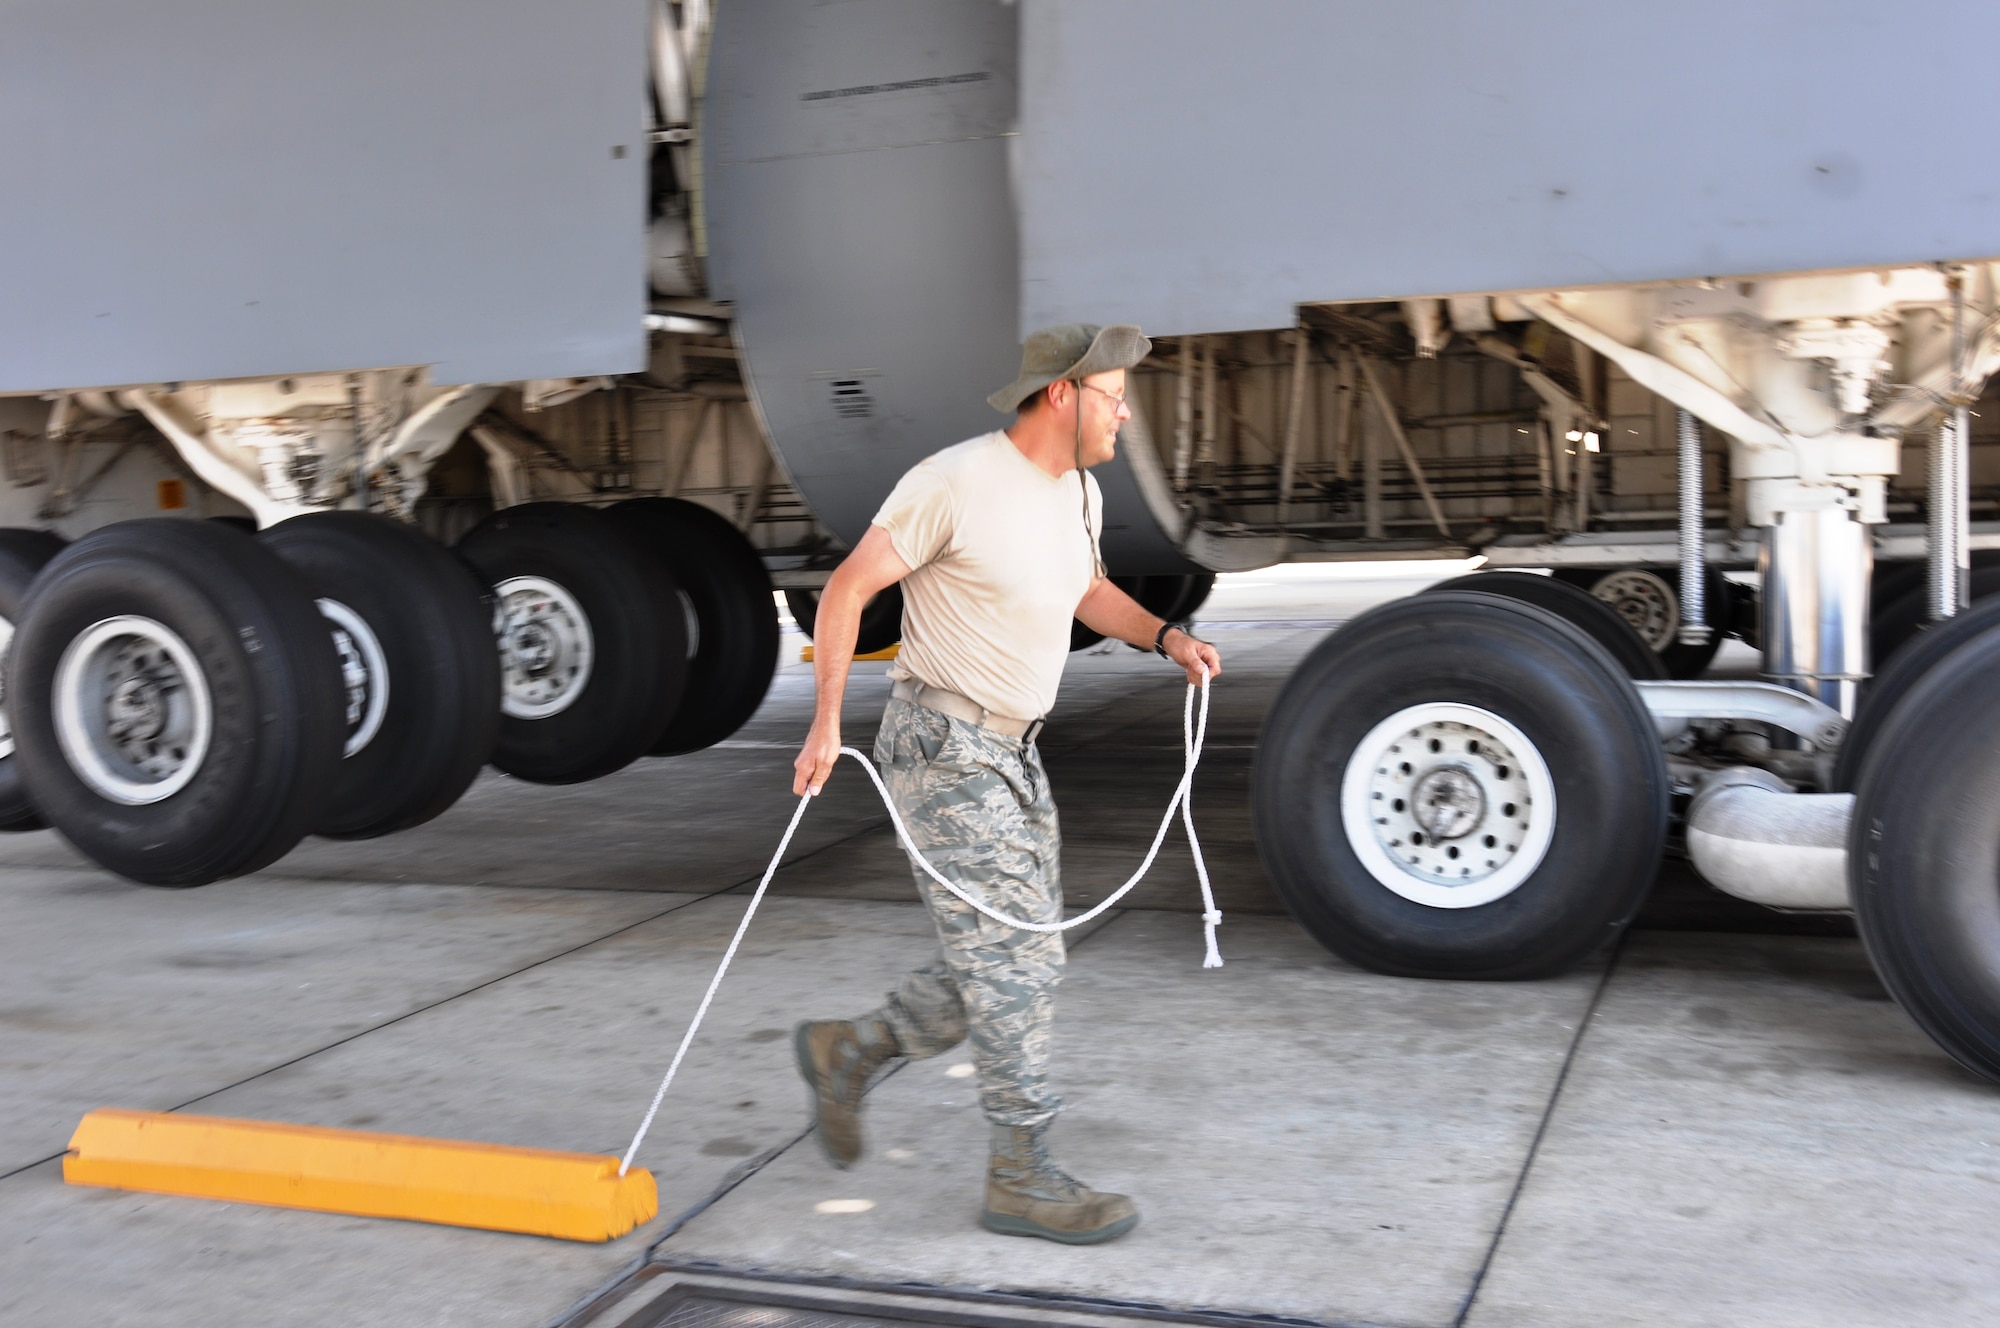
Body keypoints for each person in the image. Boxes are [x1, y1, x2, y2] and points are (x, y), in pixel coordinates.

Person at [789, 323, 1223, 1245]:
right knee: (1014, 962)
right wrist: (826, 719)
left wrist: (1166, 638)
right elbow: (847, 590)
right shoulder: (952, 482)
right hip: (942, 742)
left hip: (1016, 750)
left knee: (1020, 954)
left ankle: (852, 1049)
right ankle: (1020, 1170)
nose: (1124, 411)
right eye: (1112, 394)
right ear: (1061, 395)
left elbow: (1086, 590)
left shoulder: (1079, 494)